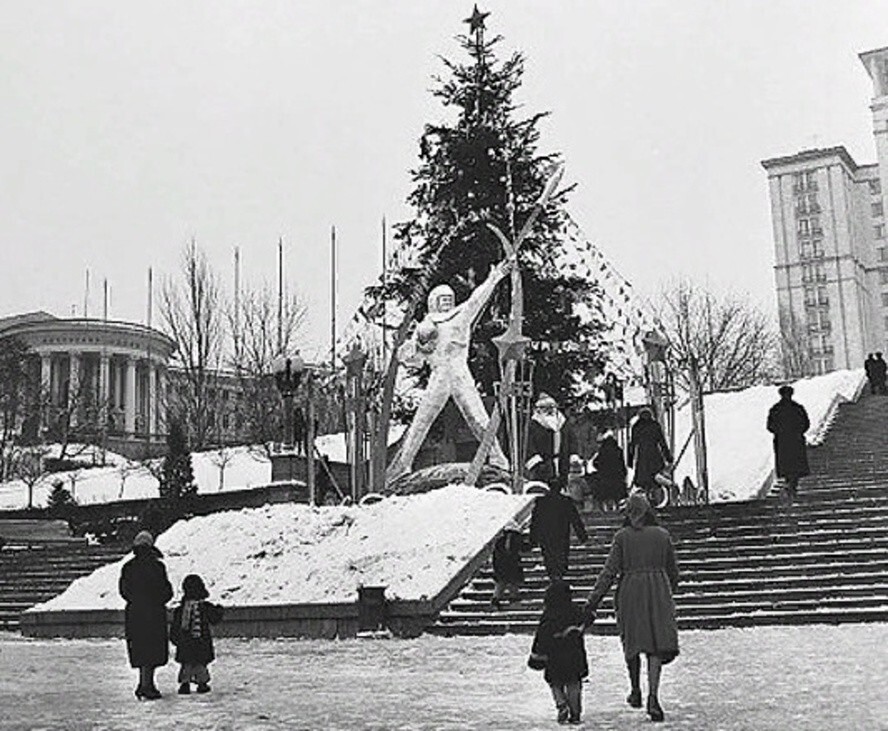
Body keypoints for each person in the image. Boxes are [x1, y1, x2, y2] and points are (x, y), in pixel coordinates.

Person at [385, 253, 516, 484]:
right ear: (433, 302)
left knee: (478, 418)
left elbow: (477, 299)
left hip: (459, 371)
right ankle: (399, 468)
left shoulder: (461, 316)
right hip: (439, 373)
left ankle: (498, 460)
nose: (446, 302)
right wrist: (414, 345)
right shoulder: (426, 324)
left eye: (449, 298)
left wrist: (495, 276)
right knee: (421, 421)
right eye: (441, 298)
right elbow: (411, 355)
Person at [583, 493, 679, 723]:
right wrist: (668, 589)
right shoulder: (663, 535)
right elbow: (673, 570)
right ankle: (653, 696)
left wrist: (593, 601)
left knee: (633, 641)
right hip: (658, 591)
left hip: (630, 592)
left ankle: (635, 689)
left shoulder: (622, 537)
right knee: (655, 644)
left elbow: (609, 572)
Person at [119, 530, 173, 700]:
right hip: (154, 612)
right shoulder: (157, 566)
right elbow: (166, 591)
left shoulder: (128, 567)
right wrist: (157, 600)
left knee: (141, 649)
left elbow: (124, 590)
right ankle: (147, 685)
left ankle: (144, 683)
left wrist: (136, 600)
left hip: (135, 613)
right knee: (153, 649)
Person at [528, 579, 589, 725]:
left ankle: (561, 704)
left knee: (555, 683)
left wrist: (536, 654)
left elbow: (541, 636)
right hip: (574, 656)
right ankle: (575, 713)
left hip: (554, 657)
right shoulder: (575, 611)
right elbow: (586, 620)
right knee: (574, 683)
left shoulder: (548, 615)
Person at [170, 574, 224, 695]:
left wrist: (175, 638)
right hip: (201, 642)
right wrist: (219, 610)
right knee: (201, 664)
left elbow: (175, 626)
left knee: (186, 664)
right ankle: (202, 683)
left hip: (185, 643)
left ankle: (185, 683)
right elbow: (214, 618)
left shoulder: (181, 609)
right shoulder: (205, 607)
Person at [529, 484, 588, 580]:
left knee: (549, 555)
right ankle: (559, 575)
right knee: (561, 554)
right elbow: (575, 519)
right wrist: (582, 535)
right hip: (561, 533)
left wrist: (533, 539)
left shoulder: (541, 502)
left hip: (546, 535)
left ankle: (553, 576)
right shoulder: (565, 501)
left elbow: (535, 522)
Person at [766, 384, 810, 504]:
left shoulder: (775, 409)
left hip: (782, 442)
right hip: (795, 440)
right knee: (795, 465)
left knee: (786, 465)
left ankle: (789, 483)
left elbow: (770, 426)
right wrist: (798, 431)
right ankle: (792, 485)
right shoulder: (798, 408)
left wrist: (780, 432)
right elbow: (805, 424)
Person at [526, 393, 571, 488]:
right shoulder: (533, 425)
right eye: (545, 408)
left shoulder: (563, 424)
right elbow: (528, 447)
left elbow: (571, 441)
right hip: (542, 468)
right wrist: (538, 465)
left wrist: (573, 457)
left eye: (551, 407)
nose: (549, 411)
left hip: (563, 466)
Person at [627, 409, 672, 503]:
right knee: (655, 478)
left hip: (642, 456)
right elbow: (662, 441)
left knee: (644, 480)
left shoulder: (637, 426)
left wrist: (630, 460)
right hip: (654, 455)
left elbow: (632, 444)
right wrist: (668, 457)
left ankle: (646, 499)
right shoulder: (654, 425)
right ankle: (656, 498)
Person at [587, 430, 628, 512]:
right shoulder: (618, 450)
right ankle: (616, 507)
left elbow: (596, 462)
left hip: (605, 477)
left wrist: (600, 468)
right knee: (616, 494)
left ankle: (605, 508)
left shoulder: (603, 450)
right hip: (617, 477)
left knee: (605, 494)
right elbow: (622, 464)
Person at [491, 520, 525, 608]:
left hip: (501, 565)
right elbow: (520, 550)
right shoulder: (516, 540)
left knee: (501, 583)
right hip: (512, 564)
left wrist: (495, 566)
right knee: (513, 583)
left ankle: (496, 600)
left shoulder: (499, 541)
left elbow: (495, 555)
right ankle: (513, 602)